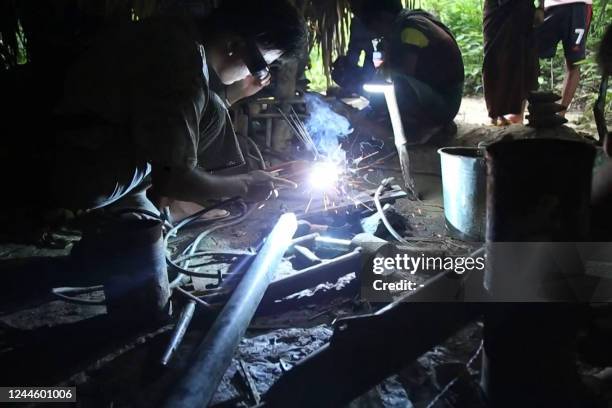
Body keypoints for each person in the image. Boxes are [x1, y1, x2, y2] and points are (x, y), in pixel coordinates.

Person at [6, 0, 306, 215]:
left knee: (214, 108)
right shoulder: (181, 67)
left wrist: (230, 96)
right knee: (209, 122)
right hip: (64, 168)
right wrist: (243, 184)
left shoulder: (178, 35)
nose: (256, 76)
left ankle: (144, 204)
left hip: (72, 145)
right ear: (234, 46)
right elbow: (173, 176)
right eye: (260, 66)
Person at [350, 0, 464, 144]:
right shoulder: (400, 27)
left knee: (395, 83)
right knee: (382, 82)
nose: (373, 32)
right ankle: (421, 124)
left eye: (372, 25)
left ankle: (429, 127)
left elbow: (403, 75)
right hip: (429, 96)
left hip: (444, 103)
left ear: (383, 18)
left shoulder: (412, 29)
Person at [482, 0, 542, 125]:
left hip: (522, 8)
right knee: (494, 57)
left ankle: (518, 115)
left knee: (522, 57)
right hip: (495, 8)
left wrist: (541, 7)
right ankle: (495, 114)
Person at [537, 0, 593, 116]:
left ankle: (560, 116)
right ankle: (518, 115)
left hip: (580, 5)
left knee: (574, 62)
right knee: (529, 55)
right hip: (550, 5)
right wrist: (540, 6)